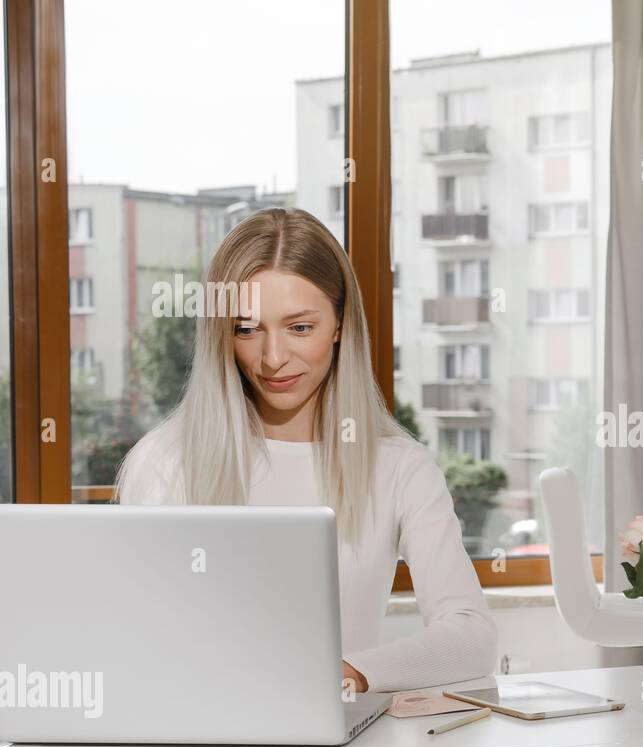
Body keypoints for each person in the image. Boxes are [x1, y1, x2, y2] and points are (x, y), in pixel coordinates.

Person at [115, 207, 497, 693]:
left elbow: (472, 635)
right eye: (247, 329)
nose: (273, 358)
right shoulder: (166, 460)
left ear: (339, 325)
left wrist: (347, 675)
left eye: (300, 327)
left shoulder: (399, 467)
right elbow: (138, 640)